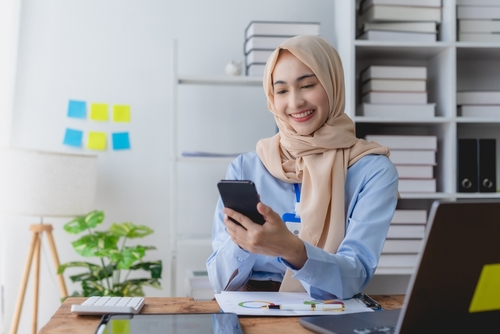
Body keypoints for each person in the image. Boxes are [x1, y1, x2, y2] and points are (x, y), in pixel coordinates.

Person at [206, 35, 398, 300]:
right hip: (251, 309)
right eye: (282, 90)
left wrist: (293, 250)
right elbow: (218, 280)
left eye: (307, 85)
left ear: (333, 85)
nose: (295, 103)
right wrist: (246, 243)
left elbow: (357, 274)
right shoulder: (246, 167)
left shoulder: (372, 171)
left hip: (329, 310)